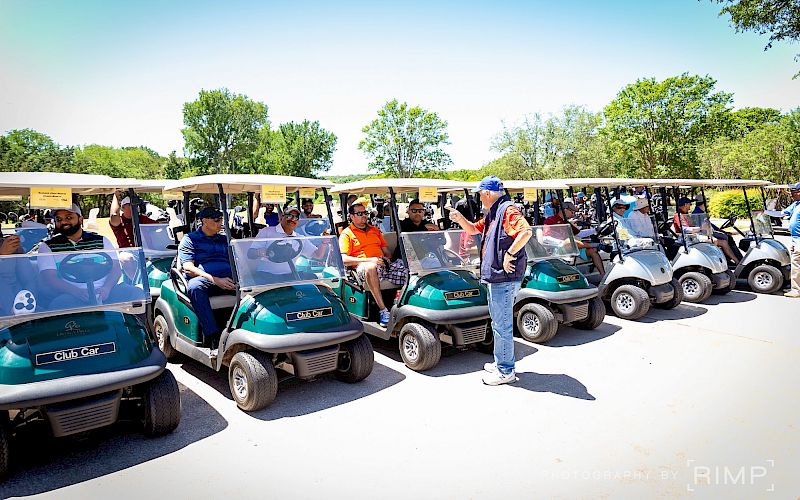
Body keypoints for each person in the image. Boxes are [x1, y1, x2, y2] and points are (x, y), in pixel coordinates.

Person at [447, 176, 532, 386]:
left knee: (502, 325)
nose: (479, 198)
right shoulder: (494, 212)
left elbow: (526, 232)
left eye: (480, 194)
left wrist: (510, 255)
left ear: (487, 193)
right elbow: (472, 229)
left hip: (503, 277)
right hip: (496, 277)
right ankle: (501, 362)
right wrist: (459, 218)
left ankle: (505, 371)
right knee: (498, 323)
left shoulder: (507, 210)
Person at [37, 204, 141, 309]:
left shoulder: (101, 241)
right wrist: (76, 292)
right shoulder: (47, 246)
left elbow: (116, 268)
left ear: (80, 219)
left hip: (105, 291)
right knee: (59, 305)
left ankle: (139, 325)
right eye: (59, 219)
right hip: (70, 294)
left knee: (136, 294)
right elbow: (49, 278)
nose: (63, 222)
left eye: (69, 217)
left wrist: (106, 288)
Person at [178, 207, 236, 351]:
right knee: (195, 287)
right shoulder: (190, 239)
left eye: (221, 219)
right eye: (216, 220)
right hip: (205, 278)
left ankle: (245, 328)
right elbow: (188, 267)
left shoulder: (225, 239)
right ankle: (213, 335)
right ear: (204, 221)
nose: (220, 223)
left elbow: (239, 258)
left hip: (229, 277)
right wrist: (215, 280)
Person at [339, 203, 405, 327]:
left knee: (409, 267)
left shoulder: (375, 230)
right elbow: (344, 259)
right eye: (360, 213)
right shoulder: (347, 234)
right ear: (351, 216)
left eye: (365, 213)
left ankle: (406, 306)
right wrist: (370, 260)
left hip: (381, 263)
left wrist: (386, 257)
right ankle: (383, 310)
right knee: (370, 267)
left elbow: (386, 251)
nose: (364, 216)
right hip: (361, 267)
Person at [250, 207, 329, 281]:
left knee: (313, 278)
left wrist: (324, 242)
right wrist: (259, 252)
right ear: (281, 218)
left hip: (289, 276)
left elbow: (318, 255)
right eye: (289, 216)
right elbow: (250, 253)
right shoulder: (267, 232)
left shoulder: (299, 238)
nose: (292, 219)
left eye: (296, 217)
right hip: (266, 275)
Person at [544, 200, 606, 276]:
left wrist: (595, 230)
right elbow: (546, 237)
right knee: (569, 241)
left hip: (572, 248)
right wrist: (560, 242)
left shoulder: (566, 222)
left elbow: (580, 234)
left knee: (593, 251)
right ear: (565, 210)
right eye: (572, 212)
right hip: (558, 249)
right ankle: (597, 245)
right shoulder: (550, 220)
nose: (573, 214)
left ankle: (603, 276)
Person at [674, 197, 739, 264]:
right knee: (718, 241)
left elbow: (693, 225)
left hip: (693, 237)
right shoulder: (678, 215)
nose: (690, 206)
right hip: (686, 239)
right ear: (685, 204)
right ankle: (730, 261)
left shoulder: (686, 215)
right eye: (689, 204)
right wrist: (701, 228)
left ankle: (732, 261)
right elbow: (685, 229)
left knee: (722, 240)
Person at [692, 194, 743, 262]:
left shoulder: (699, 211)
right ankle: (738, 260)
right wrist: (720, 231)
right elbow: (705, 227)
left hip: (707, 232)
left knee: (727, 236)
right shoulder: (698, 213)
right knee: (727, 238)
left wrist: (720, 230)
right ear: (704, 202)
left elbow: (710, 225)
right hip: (705, 234)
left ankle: (731, 259)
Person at [0, 232, 38, 316]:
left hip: (19, 296)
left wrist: (30, 301)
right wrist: (2, 255)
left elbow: (29, 279)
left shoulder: (11, 245)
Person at [782, 182, 800, 298]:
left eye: (793, 192)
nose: (791, 195)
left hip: (799, 239)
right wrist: (765, 212)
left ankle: (796, 290)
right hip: (795, 238)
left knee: (796, 264)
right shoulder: (796, 205)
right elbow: (781, 213)